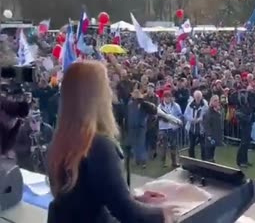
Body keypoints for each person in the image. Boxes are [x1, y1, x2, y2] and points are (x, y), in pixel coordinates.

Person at [47, 61, 176, 223]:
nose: (110, 92)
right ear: (94, 97)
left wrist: (135, 198)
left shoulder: (58, 141)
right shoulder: (98, 146)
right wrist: (162, 215)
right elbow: (125, 212)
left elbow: (86, 195)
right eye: (106, 86)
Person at [157, 90, 182, 168]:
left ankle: (174, 162)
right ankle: (163, 162)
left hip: (172, 128)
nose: (167, 99)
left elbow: (180, 115)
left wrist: (176, 121)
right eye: (166, 97)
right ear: (163, 98)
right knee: (163, 146)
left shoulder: (176, 106)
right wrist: (162, 118)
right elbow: (157, 116)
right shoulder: (160, 107)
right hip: (163, 128)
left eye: (169, 97)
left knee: (173, 145)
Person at [184, 90, 208, 159]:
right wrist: (191, 119)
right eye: (196, 97)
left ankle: (204, 161)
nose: (197, 98)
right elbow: (186, 114)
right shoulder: (190, 104)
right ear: (194, 97)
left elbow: (206, 115)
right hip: (191, 128)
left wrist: (200, 119)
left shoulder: (205, 105)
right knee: (191, 146)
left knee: (203, 146)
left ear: (201, 97)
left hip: (201, 129)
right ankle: (192, 160)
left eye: (199, 97)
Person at [202, 95, 223, 161]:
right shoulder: (208, 112)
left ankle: (211, 161)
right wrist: (209, 135)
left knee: (212, 150)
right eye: (215, 101)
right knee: (209, 152)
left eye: (218, 101)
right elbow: (206, 125)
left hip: (215, 134)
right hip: (210, 136)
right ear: (211, 102)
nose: (217, 102)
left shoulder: (217, 111)